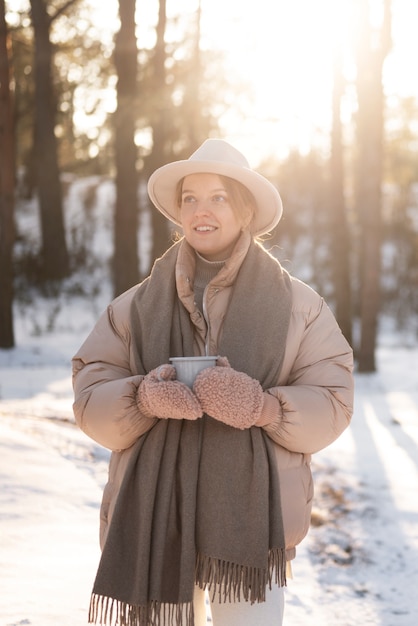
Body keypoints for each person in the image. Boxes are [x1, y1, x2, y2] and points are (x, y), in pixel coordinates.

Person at [72, 139, 354, 626]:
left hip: (252, 531)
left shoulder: (300, 307)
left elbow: (334, 399)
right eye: (190, 198)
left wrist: (265, 408)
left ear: (245, 211)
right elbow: (90, 393)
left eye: (219, 197)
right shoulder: (134, 307)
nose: (201, 211)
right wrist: (140, 398)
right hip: (156, 524)